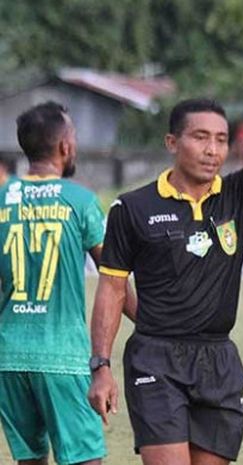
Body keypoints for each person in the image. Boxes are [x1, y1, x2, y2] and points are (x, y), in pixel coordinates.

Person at [88, 44, 243, 465]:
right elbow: (111, 288)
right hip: (155, 359)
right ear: (172, 142)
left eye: (220, 140)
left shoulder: (239, 195)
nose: (212, 150)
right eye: (200, 137)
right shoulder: (133, 208)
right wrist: (101, 366)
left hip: (218, 361)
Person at [0, 102, 136, 465]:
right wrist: (157, 322)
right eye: (73, 136)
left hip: (8, 358)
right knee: (84, 459)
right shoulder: (79, 200)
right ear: (64, 146)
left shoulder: (2, 198)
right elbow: (113, 276)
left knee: (30, 461)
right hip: (63, 358)